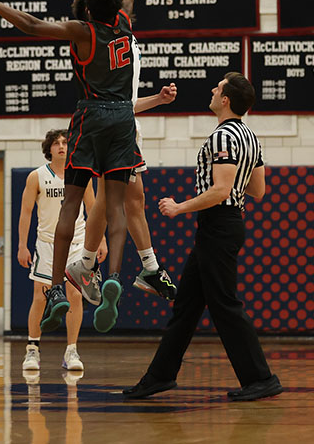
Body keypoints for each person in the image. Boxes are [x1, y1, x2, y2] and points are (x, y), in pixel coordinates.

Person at [0, 0, 170, 334]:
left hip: (92, 115)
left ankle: (56, 287)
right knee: (115, 207)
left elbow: (32, 25)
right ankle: (110, 275)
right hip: (124, 119)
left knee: (71, 205)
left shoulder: (82, 30)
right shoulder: (126, 21)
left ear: (88, 8)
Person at [123, 72, 283, 402]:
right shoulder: (250, 137)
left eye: (218, 88)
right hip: (226, 224)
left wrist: (179, 207)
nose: (212, 91)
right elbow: (258, 190)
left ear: (225, 100)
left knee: (224, 304)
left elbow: (221, 189)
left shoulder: (224, 137)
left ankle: (261, 378)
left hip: (218, 225)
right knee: (186, 307)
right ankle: (159, 377)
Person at [64, 0, 178, 305]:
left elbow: (125, 102)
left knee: (130, 198)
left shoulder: (122, 36)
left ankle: (90, 265)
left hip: (121, 120)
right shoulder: (104, 39)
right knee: (116, 197)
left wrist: (157, 99)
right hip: (112, 126)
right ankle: (106, 265)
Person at [17, 129, 105, 373]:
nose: (61, 146)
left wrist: (102, 240)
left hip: (77, 242)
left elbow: (93, 208)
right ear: (49, 149)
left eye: (66, 142)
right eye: (56, 143)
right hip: (47, 243)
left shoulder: (81, 175)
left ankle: (71, 350)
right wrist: (22, 245)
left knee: (75, 296)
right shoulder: (36, 177)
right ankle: (32, 349)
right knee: (40, 296)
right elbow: (25, 213)